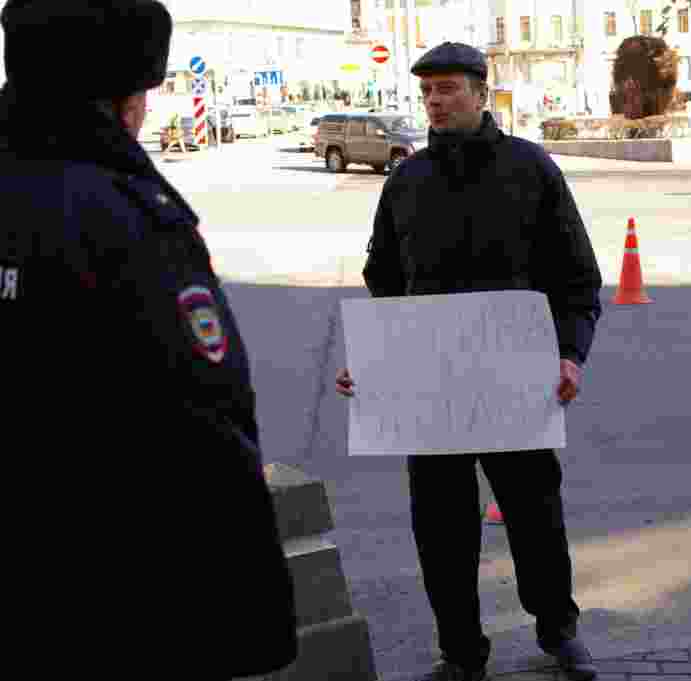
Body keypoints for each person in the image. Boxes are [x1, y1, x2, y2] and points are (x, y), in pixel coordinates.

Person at [0, 1, 297, 677]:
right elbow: (203, 420)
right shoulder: (126, 215)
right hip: (111, 598)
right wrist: (252, 626)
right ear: (122, 102)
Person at [336, 41, 603, 681]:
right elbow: (384, 277)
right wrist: (379, 359)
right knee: (442, 530)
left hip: (516, 378)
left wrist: (569, 355)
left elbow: (576, 279)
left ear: (483, 93)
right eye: (427, 90)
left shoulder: (530, 169)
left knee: (536, 516)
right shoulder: (407, 180)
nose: (435, 99)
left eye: (449, 88)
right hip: (430, 389)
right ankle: (460, 652)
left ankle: (558, 631)